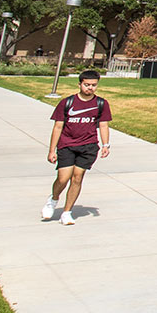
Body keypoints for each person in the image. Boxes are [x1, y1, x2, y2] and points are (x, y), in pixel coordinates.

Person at [43, 70, 112, 226]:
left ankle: (67, 212)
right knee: (63, 178)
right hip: (67, 145)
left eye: (93, 85)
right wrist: (52, 150)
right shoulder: (67, 103)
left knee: (77, 177)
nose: (90, 88)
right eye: (87, 85)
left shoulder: (101, 104)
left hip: (88, 146)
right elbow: (58, 127)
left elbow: (103, 124)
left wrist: (105, 144)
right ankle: (53, 199)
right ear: (80, 84)